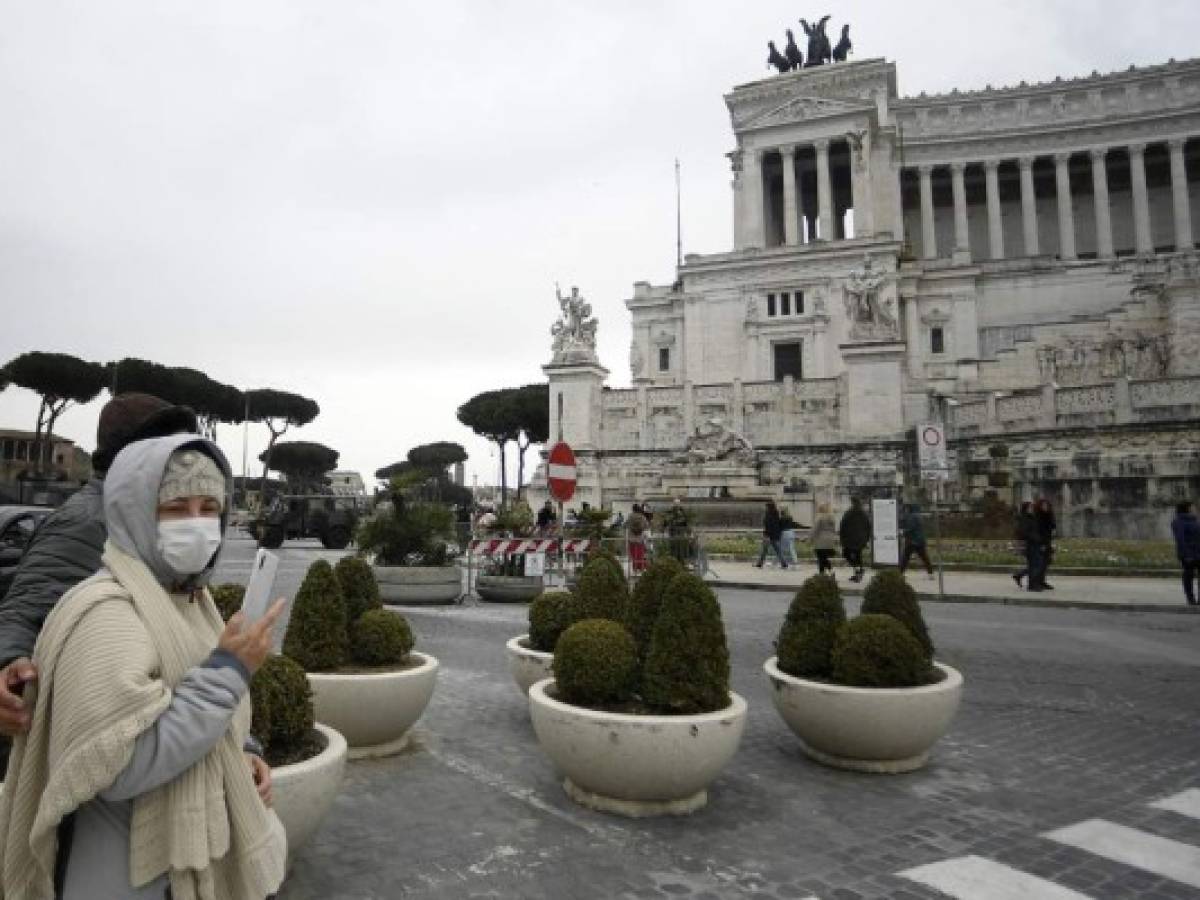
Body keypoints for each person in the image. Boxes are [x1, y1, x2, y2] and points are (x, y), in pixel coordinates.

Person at [0, 435, 288, 899]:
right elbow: (118, 767)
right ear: (135, 511)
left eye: (208, 507)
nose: (197, 524)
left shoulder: (190, 598)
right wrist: (229, 672)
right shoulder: (106, 612)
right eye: (176, 508)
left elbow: (203, 709)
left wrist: (243, 752)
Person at [0, 393, 213, 769]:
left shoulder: (150, 518)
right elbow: (25, 607)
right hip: (91, 750)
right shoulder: (86, 520)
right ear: (137, 455)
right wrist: (8, 663)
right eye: (169, 447)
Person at [1171, 501, 1200, 606]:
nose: (1194, 509)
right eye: (1192, 507)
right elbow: (1180, 539)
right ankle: (1191, 598)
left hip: (1198, 551)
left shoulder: (1195, 520)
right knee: (1189, 575)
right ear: (1187, 509)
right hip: (1188, 554)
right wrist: (1186, 554)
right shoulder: (1178, 522)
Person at [838, 497, 871, 582]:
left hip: (850, 538)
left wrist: (842, 538)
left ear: (852, 503)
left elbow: (843, 526)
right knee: (858, 555)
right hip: (861, 539)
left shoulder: (849, 513)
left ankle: (858, 570)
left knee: (846, 554)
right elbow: (868, 526)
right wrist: (866, 538)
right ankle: (858, 572)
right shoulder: (864, 513)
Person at [1012, 501, 1043, 591]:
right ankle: (1032, 585)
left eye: (1032, 507)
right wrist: (1035, 538)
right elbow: (1025, 532)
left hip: (1035, 543)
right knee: (1037, 564)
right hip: (1030, 544)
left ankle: (1020, 576)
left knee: (1034, 565)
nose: (1032, 509)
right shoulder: (1024, 518)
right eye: (1030, 507)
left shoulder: (1032, 517)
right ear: (1026, 509)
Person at [899, 503, 935, 579]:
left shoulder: (912, 517)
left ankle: (900, 574)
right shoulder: (918, 516)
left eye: (906, 509)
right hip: (920, 540)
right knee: (924, 557)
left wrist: (903, 532)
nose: (905, 511)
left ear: (908, 509)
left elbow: (911, 528)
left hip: (912, 541)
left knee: (905, 557)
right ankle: (930, 574)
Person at [754, 500, 788, 569]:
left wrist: (767, 534)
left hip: (768, 535)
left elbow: (768, 525)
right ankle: (784, 563)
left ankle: (759, 563)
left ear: (769, 507)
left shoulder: (768, 515)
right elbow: (779, 525)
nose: (765, 508)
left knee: (764, 550)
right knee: (778, 550)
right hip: (775, 535)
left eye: (766, 506)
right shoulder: (776, 514)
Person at [1034, 497, 1057, 590]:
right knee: (1040, 563)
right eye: (1043, 505)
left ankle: (1042, 581)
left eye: (1047, 505)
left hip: (1048, 541)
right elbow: (1038, 531)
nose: (1045, 507)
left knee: (1046, 562)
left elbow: (1052, 527)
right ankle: (1037, 582)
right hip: (1041, 542)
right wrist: (1041, 543)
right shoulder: (1038, 517)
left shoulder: (1049, 515)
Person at [810, 503, 838, 576]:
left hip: (821, 540)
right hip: (830, 540)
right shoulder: (832, 518)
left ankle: (822, 573)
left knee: (821, 558)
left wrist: (810, 538)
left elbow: (815, 529)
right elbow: (834, 530)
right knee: (824, 557)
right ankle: (829, 571)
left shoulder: (820, 517)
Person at [627, 503, 649, 573]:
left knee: (634, 554)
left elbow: (625, 524)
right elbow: (646, 525)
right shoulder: (642, 517)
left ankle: (635, 568)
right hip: (640, 538)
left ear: (633, 509)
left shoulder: (630, 516)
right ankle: (641, 568)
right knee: (640, 554)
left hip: (631, 539)